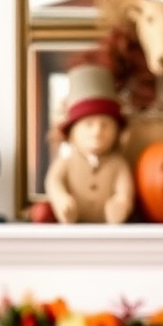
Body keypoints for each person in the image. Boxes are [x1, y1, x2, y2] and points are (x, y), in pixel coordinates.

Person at [45, 65, 134, 224]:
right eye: (89, 124)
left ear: (117, 131)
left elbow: (124, 189)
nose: (97, 131)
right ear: (73, 132)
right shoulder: (67, 162)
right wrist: (61, 199)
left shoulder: (118, 164)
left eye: (105, 125)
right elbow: (54, 181)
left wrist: (121, 201)